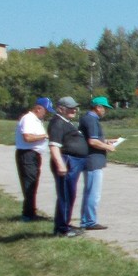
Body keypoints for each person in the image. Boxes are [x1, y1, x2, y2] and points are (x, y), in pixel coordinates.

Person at [47, 97, 87, 237]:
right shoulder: (58, 123)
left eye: (75, 107)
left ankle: (65, 224)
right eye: (70, 108)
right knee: (65, 195)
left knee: (69, 194)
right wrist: (60, 164)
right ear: (60, 109)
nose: (74, 110)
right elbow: (53, 146)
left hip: (73, 161)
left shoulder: (65, 122)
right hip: (67, 161)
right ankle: (62, 229)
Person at [79, 96, 117, 231]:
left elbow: (94, 139)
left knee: (89, 191)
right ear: (98, 107)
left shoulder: (87, 118)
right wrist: (108, 147)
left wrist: (105, 141)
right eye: (104, 108)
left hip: (91, 160)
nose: (105, 111)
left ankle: (86, 220)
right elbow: (92, 141)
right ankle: (89, 221)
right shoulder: (92, 120)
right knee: (93, 193)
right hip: (93, 160)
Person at [15, 97, 54, 221]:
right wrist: (45, 135)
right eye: (45, 111)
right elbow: (27, 137)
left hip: (34, 154)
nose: (46, 113)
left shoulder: (36, 120)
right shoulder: (28, 119)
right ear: (38, 108)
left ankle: (31, 212)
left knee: (33, 184)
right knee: (29, 185)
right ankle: (28, 214)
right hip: (27, 154)